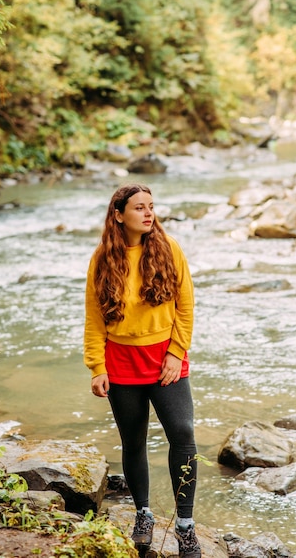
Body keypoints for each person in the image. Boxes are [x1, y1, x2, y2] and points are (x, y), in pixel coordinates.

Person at [84, 183, 201, 558]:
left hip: (166, 359)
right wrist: (96, 366)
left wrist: (176, 352)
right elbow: (93, 318)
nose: (148, 213)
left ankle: (185, 525)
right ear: (119, 215)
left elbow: (186, 306)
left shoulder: (169, 249)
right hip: (120, 362)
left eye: (151, 207)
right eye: (139, 208)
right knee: (133, 440)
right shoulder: (102, 258)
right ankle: (143, 515)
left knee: (182, 434)